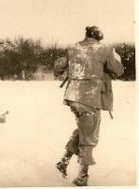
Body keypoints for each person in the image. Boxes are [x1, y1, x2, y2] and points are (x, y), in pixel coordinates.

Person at [54, 26, 124, 186]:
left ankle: (64, 160)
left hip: (73, 98)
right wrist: (115, 57)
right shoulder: (104, 49)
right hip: (90, 98)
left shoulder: (73, 47)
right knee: (89, 136)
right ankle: (82, 177)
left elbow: (58, 67)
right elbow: (118, 70)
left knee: (84, 130)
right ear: (99, 37)